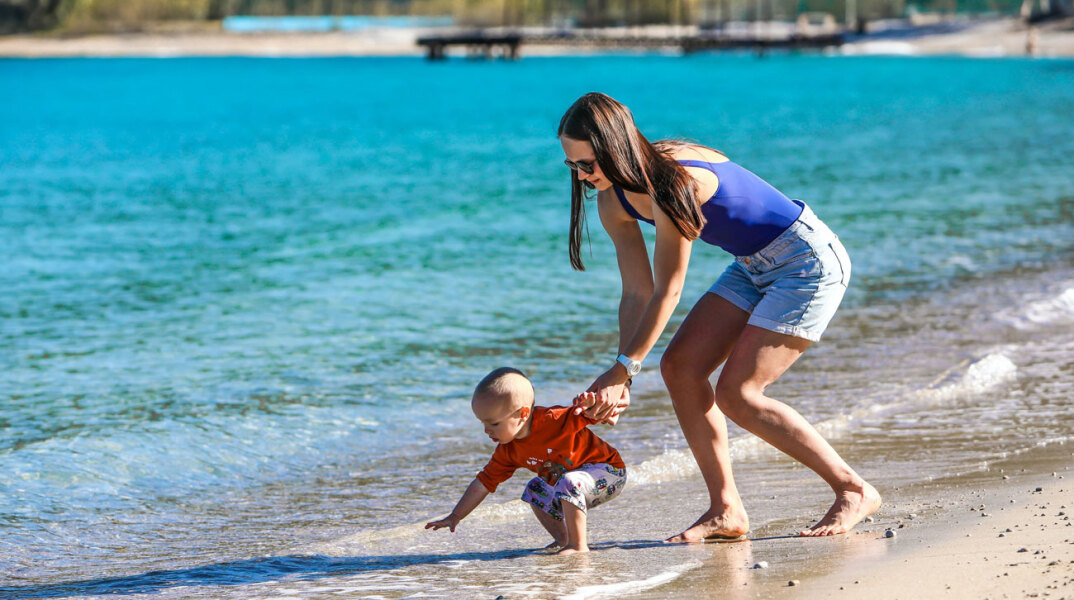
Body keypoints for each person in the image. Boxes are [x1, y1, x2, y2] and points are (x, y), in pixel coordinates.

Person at [558, 92, 881, 540]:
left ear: (617, 147)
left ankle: (853, 489)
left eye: (588, 163)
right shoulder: (613, 201)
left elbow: (669, 290)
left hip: (807, 261)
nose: (582, 175)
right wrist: (623, 376)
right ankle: (727, 510)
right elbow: (637, 291)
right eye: (572, 166)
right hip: (751, 264)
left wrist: (623, 368)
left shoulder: (673, 182)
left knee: (739, 393)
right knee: (680, 368)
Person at [425, 367, 628, 555]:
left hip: (609, 473)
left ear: (522, 414)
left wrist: (591, 404)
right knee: (534, 489)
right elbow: (483, 483)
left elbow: (595, 415)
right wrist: (455, 516)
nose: (486, 430)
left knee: (569, 482)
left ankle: (577, 545)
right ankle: (563, 538)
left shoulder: (555, 420)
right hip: (573, 485)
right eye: (483, 423)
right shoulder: (508, 450)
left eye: (494, 423)